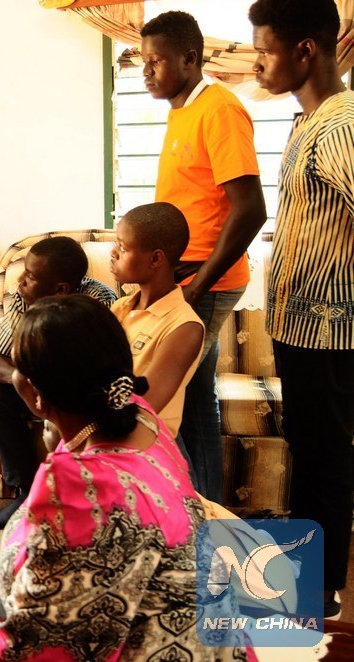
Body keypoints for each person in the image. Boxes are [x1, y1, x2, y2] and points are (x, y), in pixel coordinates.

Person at [0, 295, 253, 661]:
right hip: (207, 633)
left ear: (34, 394)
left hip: (161, 648)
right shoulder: (138, 413)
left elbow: (45, 650)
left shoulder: (79, 491)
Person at [249, 0, 354, 619]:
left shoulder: (340, 127)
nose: (257, 63)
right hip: (301, 327)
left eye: (265, 50)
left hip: (328, 331)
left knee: (324, 455)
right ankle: (307, 567)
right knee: (309, 448)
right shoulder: (310, 120)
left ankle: (320, 590)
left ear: (305, 51)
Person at [140, 10, 267, 503]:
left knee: (177, 400)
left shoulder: (220, 110)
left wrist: (195, 288)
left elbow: (250, 210)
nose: (146, 70)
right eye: (143, 60)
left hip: (207, 281)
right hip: (184, 278)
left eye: (156, 61)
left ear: (189, 59)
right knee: (193, 400)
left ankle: (199, 515)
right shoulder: (183, 110)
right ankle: (203, 513)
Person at [0, 237, 116, 530]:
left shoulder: (97, 304)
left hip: (86, 394)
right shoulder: (24, 294)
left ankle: (75, 494)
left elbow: (82, 375)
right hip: (41, 384)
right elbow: (1, 354)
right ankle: (27, 492)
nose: (21, 281)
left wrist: (14, 374)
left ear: (61, 289)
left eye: (31, 276)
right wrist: (17, 373)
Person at [109, 202, 204, 440]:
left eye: (122, 247)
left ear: (155, 259)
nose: (113, 253)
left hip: (141, 444)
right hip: (107, 426)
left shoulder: (185, 327)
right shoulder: (120, 307)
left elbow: (143, 406)